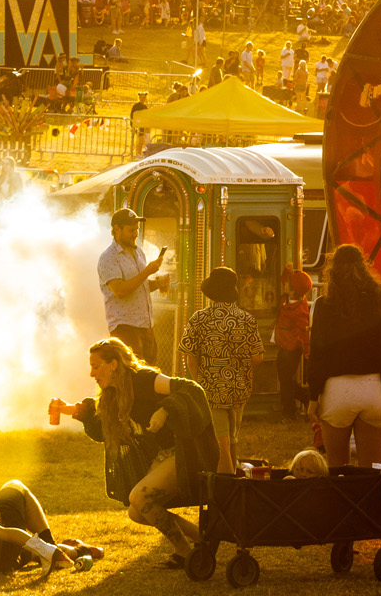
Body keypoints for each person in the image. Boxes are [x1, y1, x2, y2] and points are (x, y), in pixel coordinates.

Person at [55, 338, 216, 565]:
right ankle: (203, 536)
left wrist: (165, 409)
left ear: (113, 364)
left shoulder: (144, 379)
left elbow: (190, 388)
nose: (92, 374)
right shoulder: (114, 392)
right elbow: (103, 426)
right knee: (136, 511)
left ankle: (184, 552)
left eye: (96, 366)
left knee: (140, 497)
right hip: (165, 453)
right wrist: (72, 410)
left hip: (186, 451)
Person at [305, 244, 381, 469]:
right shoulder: (379, 304)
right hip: (374, 390)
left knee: (337, 469)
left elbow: (318, 354)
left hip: (336, 392)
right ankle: (377, 493)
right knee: (375, 469)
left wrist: (313, 397)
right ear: (364, 268)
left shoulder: (323, 306)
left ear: (332, 271)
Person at [177, 267, 262, 474]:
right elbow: (258, 357)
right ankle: (235, 483)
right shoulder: (246, 319)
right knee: (232, 441)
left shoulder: (199, 319)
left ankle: (225, 488)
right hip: (239, 389)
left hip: (211, 390)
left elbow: (190, 357)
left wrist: (200, 381)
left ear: (211, 293)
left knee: (220, 445)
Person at [97, 208, 166, 367]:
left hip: (146, 326)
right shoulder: (108, 257)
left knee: (150, 374)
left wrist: (157, 284)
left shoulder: (139, 252)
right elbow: (120, 291)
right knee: (132, 375)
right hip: (125, 327)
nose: (135, 234)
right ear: (116, 230)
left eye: (137, 229)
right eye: (131, 230)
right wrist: (147, 271)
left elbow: (140, 286)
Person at [273, 269, 312, 421]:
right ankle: (302, 398)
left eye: (288, 283)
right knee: (285, 379)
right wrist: (287, 270)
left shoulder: (299, 309)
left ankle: (289, 410)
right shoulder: (289, 298)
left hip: (291, 349)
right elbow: (284, 279)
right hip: (285, 346)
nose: (285, 284)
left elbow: (303, 331)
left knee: (285, 380)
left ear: (293, 289)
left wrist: (307, 349)